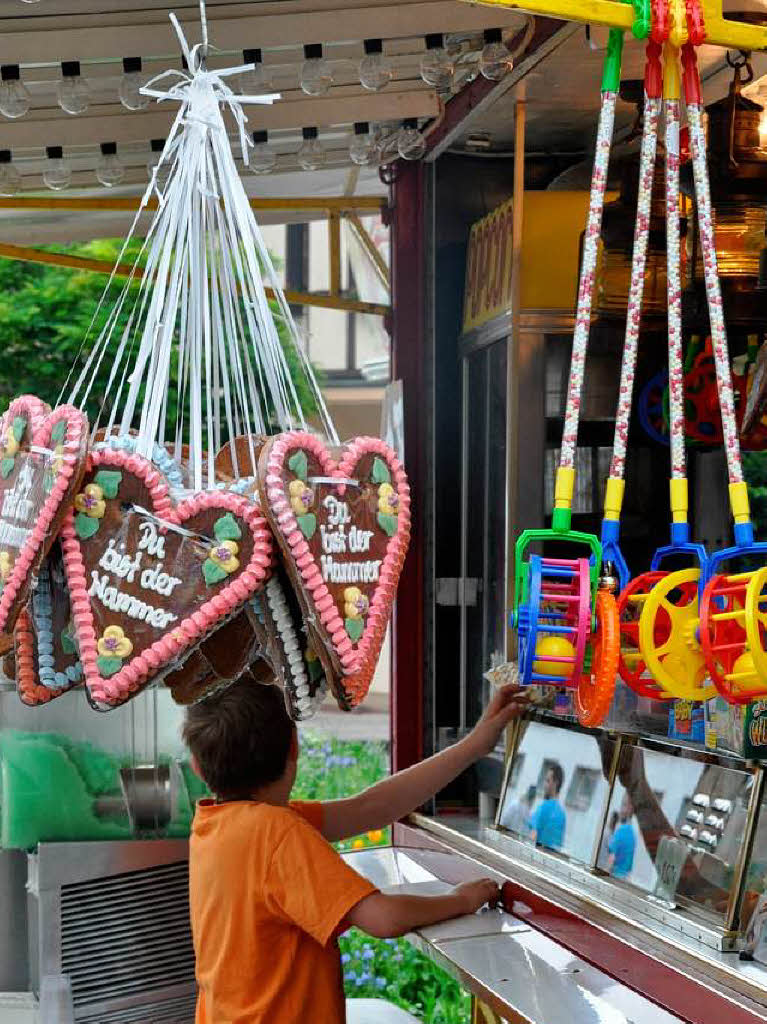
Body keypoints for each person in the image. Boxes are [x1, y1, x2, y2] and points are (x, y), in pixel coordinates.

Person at [183, 676, 529, 1024]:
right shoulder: (279, 833)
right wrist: (460, 900)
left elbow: (371, 808)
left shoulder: (213, 825)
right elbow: (383, 918)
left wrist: (473, 746)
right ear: (295, 748)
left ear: (197, 767)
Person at [529, 762, 566, 851]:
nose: (545, 785)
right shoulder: (561, 814)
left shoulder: (544, 808)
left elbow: (532, 837)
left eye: (548, 781)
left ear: (555, 783)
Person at [608, 792, 636, 880]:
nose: (621, 809)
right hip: (624, 878)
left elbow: (611, 859)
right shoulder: (632, 833)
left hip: (614, 877)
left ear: (630, 808)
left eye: (624, 805)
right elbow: (629, 867)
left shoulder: (621, 831)